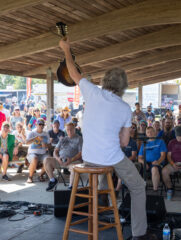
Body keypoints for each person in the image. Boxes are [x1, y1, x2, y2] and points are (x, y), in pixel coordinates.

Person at [59, 38, 156, 240]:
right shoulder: (124, 108)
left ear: (104, 81)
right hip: (110, 158)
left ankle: (97, 208)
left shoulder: (92, 91)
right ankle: (139, 233)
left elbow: (74, 72)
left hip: (88, 157)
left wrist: (66, 49)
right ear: (123, 87)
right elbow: (123, 143)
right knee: (138, 186)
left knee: (101, 177)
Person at [44, 123, 83, 191]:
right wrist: (58, 158)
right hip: (61, 160)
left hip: (73, 161)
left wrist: (71, 160)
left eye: (71, 129)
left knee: (74, 168)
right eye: (68, 130)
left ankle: (71, 187)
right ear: (65, 130)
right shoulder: (63, 139)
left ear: (74, 129)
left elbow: (80, 153)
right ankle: (53, 181)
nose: (69, 131)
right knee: (46, 160)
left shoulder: (79, 139)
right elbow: (55, 151)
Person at [138, 127, 167, 191]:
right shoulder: (144, 143)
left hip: (157, 163)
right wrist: (144, 163)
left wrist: (158, 162)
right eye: (148, 132)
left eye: (151, 131)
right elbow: (139, 158)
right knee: (136, 168)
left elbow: (163, 155)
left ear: (155, 132)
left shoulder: (160, 142)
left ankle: (155, 190)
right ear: (146, 134)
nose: (150, 133)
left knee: (154, 169)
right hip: (146, 163)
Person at [26, 118, 50, 183]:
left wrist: (45, 144)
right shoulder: (32, 133)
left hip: (43, 153)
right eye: (40, 124)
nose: (41, 126)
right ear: (36, 124)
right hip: (32, 153)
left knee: (48, 159)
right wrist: (35, 138)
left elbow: (49, 145)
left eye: (43, 125)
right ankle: (30, 177)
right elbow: (27, 142)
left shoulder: (46, 134)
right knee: (35, 158)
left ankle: (40, 175)